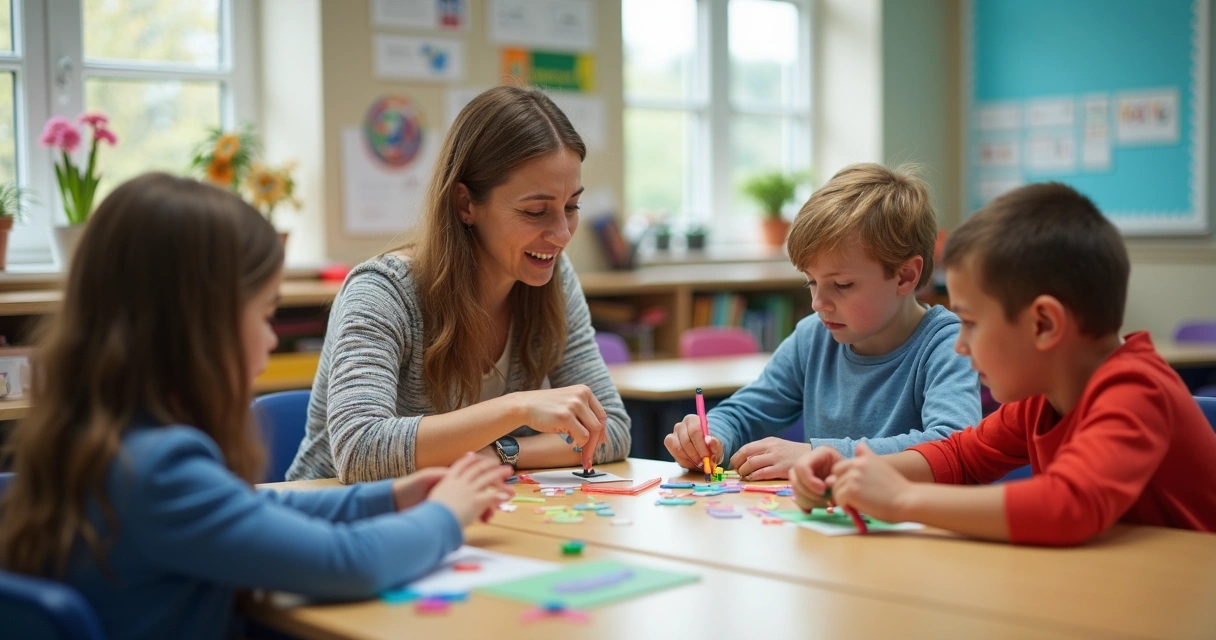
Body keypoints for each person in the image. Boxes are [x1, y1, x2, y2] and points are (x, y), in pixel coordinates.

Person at [0, 173, 513, 639]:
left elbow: (252, 508)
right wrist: (449, 512)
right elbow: (350, 563)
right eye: (266, 315)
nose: (271, 340)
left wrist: (386, 499)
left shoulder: (100, 439)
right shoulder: (160, 469)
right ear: (199, 326)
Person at [789, 182, 1216, 545]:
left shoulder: (1135, 389)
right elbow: (959, 456)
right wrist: (848, 474)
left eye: (971, 323)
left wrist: (901, 498)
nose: (960, 346)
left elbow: (1069, 506)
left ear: (1044, 324)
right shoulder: (1044, 398)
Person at [288, 86, 631, 483]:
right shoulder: (381, 292)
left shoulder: (554, 277)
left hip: (450, 514)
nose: (561, 234)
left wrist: (505, 453)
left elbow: (611, 430)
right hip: (329, 521)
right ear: (466, 204)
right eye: (536, 211)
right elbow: (360, 450)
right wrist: (515, 409)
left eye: (571, 207)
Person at [665, 163, 979, 480]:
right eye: (811, 282)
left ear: (905, 276)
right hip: (829, 525)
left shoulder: (947, 343)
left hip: (916, 527)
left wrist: (820, 455)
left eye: (841, 285)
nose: (818, 303)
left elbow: (952, 445)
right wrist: (711, 437)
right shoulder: (814, 336)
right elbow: (746, 412)